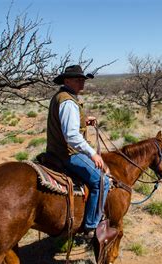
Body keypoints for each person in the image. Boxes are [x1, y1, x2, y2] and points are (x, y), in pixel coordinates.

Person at [46, 65, 117, 240]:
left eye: (82, 79)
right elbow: (71, 135)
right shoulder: (68, 102)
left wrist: (84, 121)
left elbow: (68, 124)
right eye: (78, 79)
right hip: (67, 154)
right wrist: (93, 153)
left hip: (56, 150)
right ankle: (91, 226)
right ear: (66, 80)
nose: (82, 82)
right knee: (101, 181)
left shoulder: (64, 97)